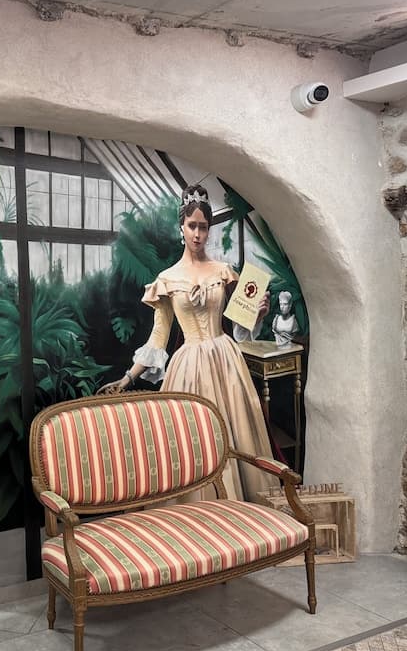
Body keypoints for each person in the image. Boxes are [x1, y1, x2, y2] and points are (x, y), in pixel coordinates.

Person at [98, 185, 279, 502]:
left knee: (236, 434)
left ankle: (241, 509)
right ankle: (198, 512)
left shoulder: (224, 272)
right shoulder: (167, 279)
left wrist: (257, 314)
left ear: (209, 229)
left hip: (226, 360)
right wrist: (128, 378)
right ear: (181, 227)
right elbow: (159, 335)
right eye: (192, 225)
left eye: (203, 227)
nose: (197, 233)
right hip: (190, 369)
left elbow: (239, 324)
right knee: (195, 441)